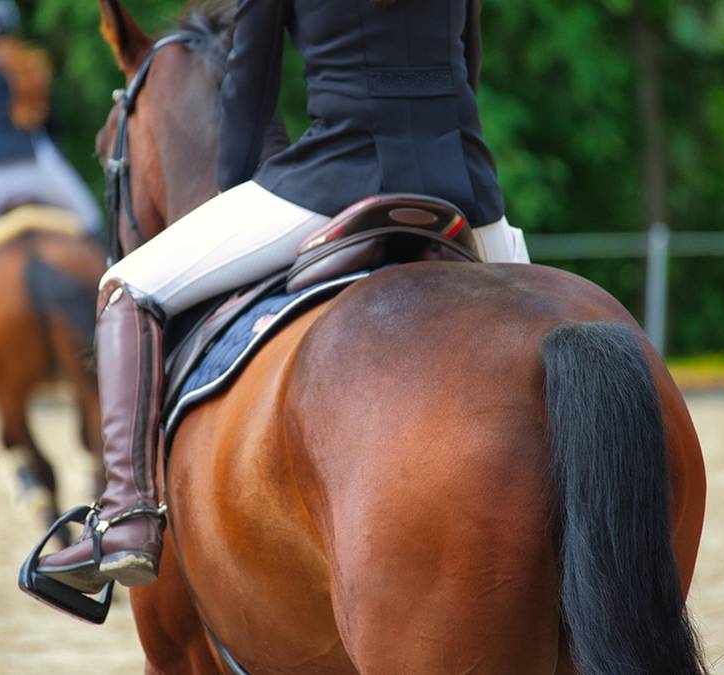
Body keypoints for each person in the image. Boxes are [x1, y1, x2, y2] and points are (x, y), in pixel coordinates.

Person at [35, 0, 530, 594]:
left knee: (125, 287)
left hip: (334, 181)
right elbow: (467, 68)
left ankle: (125, 519)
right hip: (466, 189)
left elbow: (249, 95)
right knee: (539, 335)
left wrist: (235, 199)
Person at [0, 0, 102, 297]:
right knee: (93, 224)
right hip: (41, 168)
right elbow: (54, 131)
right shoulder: (34, 69)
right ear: (13, 33)